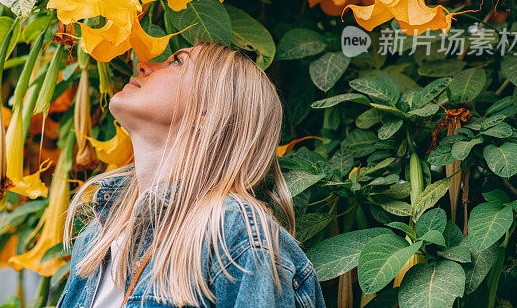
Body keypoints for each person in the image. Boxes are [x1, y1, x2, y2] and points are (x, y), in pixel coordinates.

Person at [55, 41, 326, 308]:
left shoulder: (233, 232)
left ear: (211, 112)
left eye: (177, 61)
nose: (143, 65)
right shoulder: (98, 236)